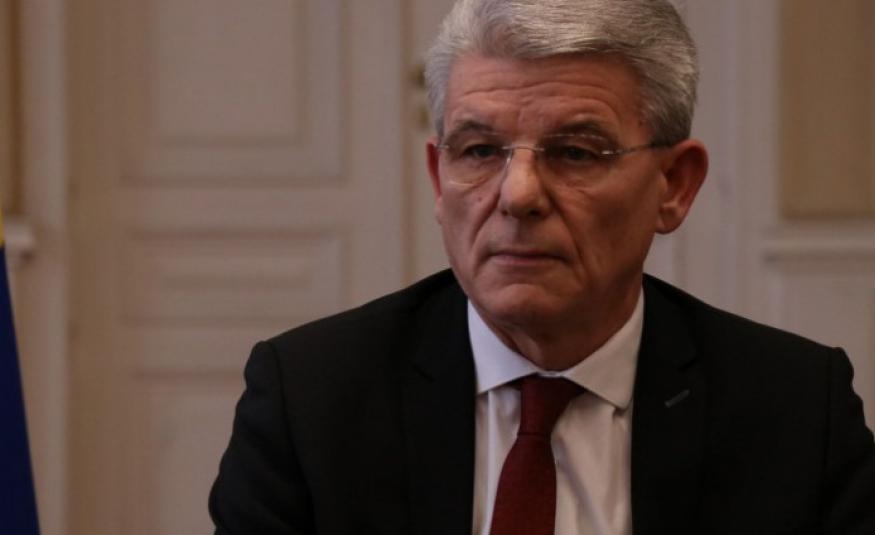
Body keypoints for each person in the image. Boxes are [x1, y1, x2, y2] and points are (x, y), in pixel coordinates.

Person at [209, 0, 875, 533]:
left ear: (673, 185)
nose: (518, 194)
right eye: (479, 150)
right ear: (439, 178)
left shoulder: (794, 412)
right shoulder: (311, 401)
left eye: (576, 152)